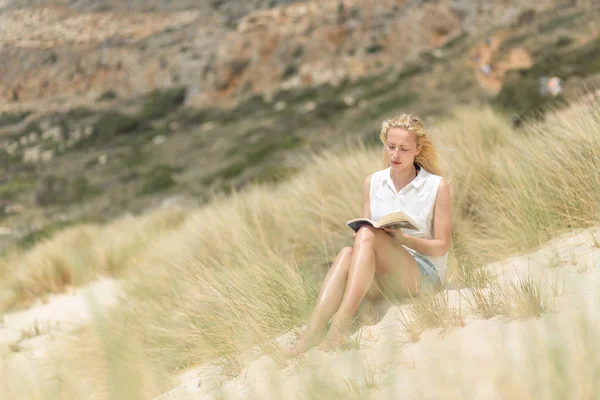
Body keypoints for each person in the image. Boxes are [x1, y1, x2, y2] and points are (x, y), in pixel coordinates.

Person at [285, 114, 452, 356]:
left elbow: (442, 246)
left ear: (418, 149)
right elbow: (366, 231)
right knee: (347, 252)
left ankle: (340, 324)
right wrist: (364, 239)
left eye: (404, 149)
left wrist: (403, 239)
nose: (395, 155)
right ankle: (311, 333)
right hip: (381, 276)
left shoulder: (436, 185)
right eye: (391, 146)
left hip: (421, 275)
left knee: (367, 237)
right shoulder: (372, 182)